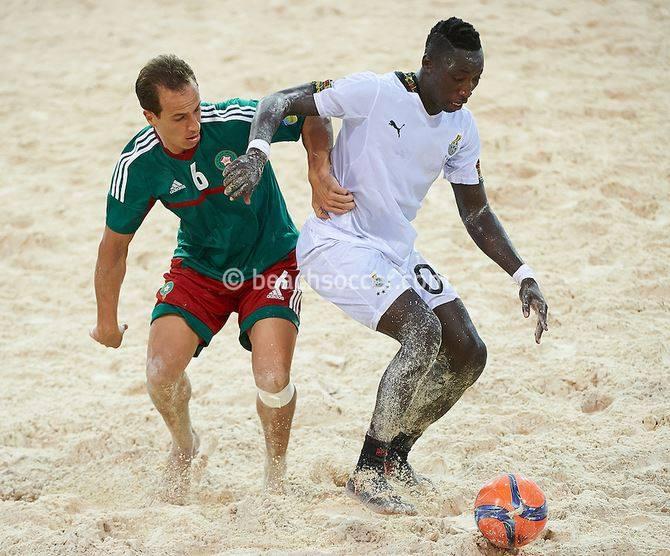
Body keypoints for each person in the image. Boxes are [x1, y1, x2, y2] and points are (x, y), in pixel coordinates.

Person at [223, 17, 549, 515]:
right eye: (458, 78)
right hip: (336, 243)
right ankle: (369, 470)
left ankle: (395, 458)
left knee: (469, 351)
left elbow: (476, 211)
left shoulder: (462, 128)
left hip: (394, 248)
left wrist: (522, 273)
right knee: (422, 332)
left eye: (475, 81)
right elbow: (279, 102)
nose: (466, 91)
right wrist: (258, 153)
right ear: (428, 65)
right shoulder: (375, 92)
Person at [90, 54, 353, 501]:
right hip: (201, 266)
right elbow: (114, 246)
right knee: (159, 372)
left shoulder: (233, 120)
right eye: (178, 116)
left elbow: (313, 110)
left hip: (271, 259)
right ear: (149, 117)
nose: (194, 123)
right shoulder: (138, 165)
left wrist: (317, 170)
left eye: (196, 108)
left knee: (272, 378)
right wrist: (107, 322)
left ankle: (275, 473)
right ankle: (184, 443)